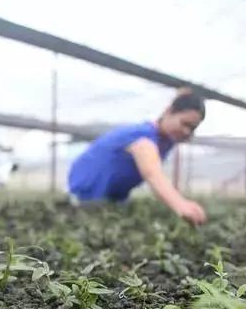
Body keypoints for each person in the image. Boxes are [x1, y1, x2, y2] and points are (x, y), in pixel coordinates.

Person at [68, 88, 207, 225]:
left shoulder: (167, 140)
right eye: (185, 123)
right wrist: (180, 204)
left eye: (193, 128)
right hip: (85, 192)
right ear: (168, 111)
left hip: (114, 197)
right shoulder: (144, 136)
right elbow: (152, 173)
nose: (187, 131)